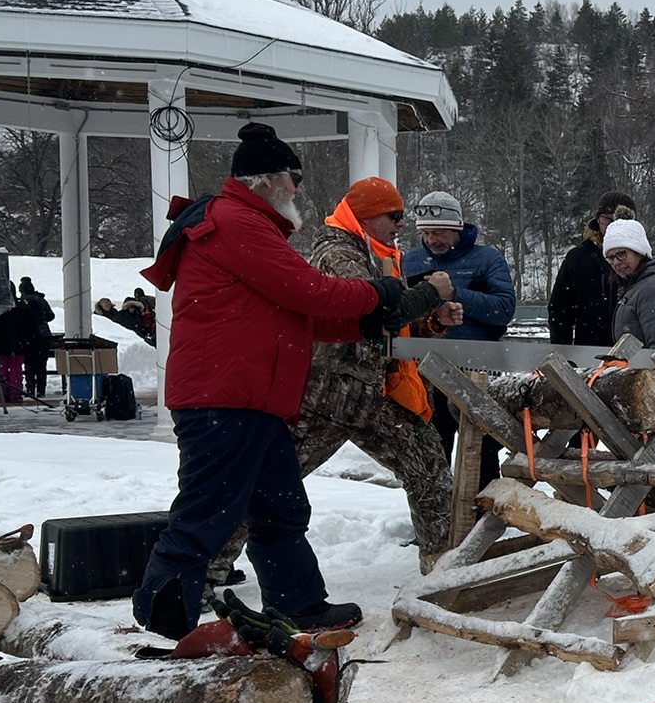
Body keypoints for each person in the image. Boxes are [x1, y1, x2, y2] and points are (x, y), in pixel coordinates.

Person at [131, 123, 456, 640]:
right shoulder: (237, 223)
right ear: (267, 181)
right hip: (226, 394)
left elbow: (315, 315)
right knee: (208, 509)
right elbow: (317, 295)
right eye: (294, 179)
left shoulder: (252, 224)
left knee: (279, 506)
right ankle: (165, 618)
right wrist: (407, 297)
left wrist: (397, 309)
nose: (299, 191)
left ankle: (298, 604)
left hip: (258, 397)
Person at [206, 177, 457, 587]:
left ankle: (443, 567)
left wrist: (431, 320)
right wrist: (430, 293)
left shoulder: (375, 253)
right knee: (269, 482)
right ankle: (202, 567)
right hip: (334, 391)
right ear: (367, 215)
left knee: (425, 465)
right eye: (393, 216)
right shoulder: (338, 252)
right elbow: (370, 314)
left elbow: (389, 319)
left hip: (359, 390)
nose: (400, 224)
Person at [404, 190, 516, 487]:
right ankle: (436, 523)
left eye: (438, 232)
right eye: (425, 233)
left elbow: (504, 309)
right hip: (426, 372)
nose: (431, 240)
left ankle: (483, 518)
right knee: (430, 452)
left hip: (478, 371)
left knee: (480, 450)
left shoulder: (487, 259)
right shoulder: (410, 261)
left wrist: (455, 294)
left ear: (457, 228)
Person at [549, 191, 633, 346]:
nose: (612, 225)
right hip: (586, 352)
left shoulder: (640, 259)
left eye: (620, 220)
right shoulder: (577, 258)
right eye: (607, 219)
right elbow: (559, 310)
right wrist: (563, 354)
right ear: (598, 220)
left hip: (632, 355)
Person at [604, 218, 655, 347]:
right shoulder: (634, 288)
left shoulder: (654, 289)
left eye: (621, 254)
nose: (616, 262)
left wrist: (646, 366)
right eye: (611, 257)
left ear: (640, 252)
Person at [14, 277, 56, 398]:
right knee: (42, 364)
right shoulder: (41, 300)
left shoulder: (22, 302)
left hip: (27, 336)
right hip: (43, 335)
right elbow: (50, 316)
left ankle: (30, 388)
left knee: (29, 363)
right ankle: (41, 390)